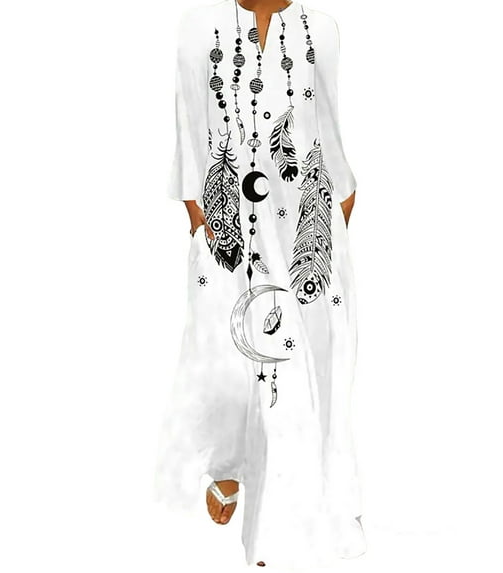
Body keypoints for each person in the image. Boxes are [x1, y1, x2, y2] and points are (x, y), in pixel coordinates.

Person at [154, 0, 366, 568]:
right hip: (228, 227)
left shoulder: (321, 32)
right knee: (228, 357)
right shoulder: (199, 28)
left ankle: (274, 534)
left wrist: (331, 220)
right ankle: (228, 459)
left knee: (296, 371)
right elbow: (190, 131)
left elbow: (328, 131)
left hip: (304, 229)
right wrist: (201, 222)